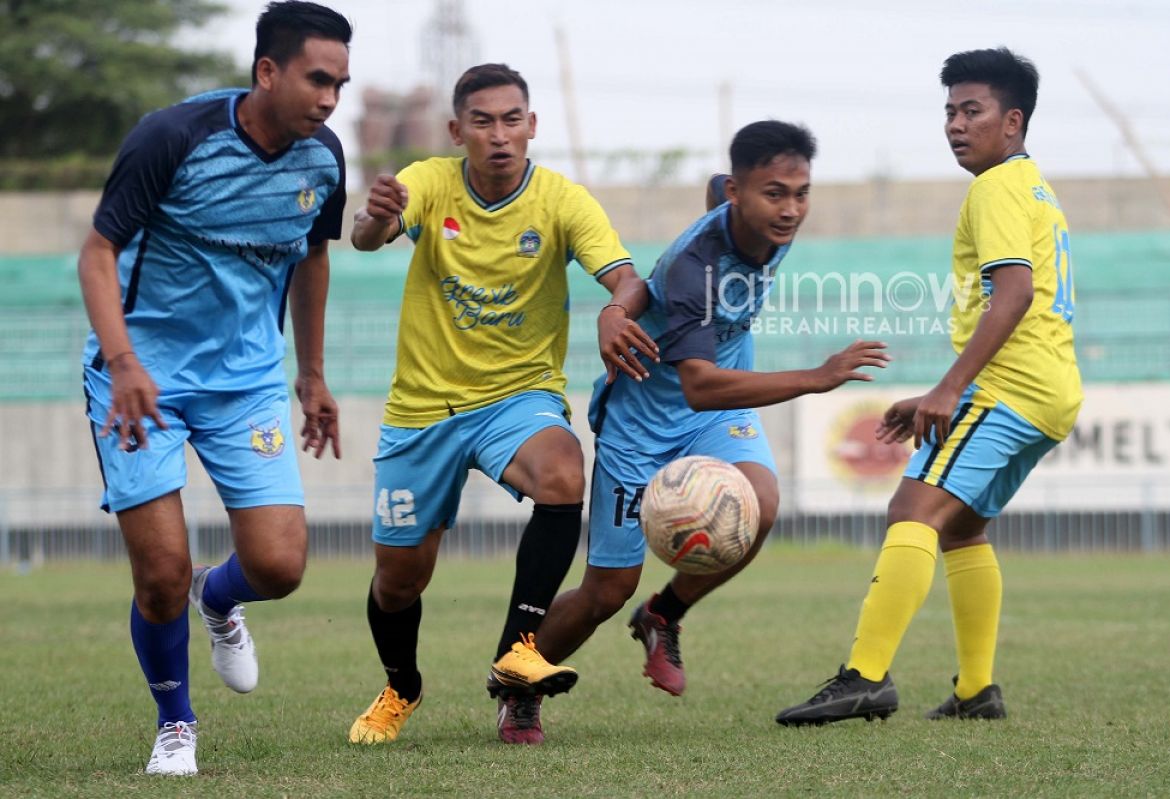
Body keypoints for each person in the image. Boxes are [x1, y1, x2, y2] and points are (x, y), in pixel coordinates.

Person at [529, 121, 889, 727]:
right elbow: (698, 385)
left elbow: (666, 271)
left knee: (761, 505)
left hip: (718, 414)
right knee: (605, 591)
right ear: (737, 192)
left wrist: (623, 305)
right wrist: (817, 376)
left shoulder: (760, 222)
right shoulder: (698, 267)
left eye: (801, 192)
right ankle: (521, 681)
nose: (791, 209)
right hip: (645, 422)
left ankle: (663, 615)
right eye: (775, 193)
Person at [77, 1, 351, 775]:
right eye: (317, 79)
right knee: (158, 572)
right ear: (268, 72)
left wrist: (312, 374)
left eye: (341, 84)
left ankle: (219, 598)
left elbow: (314, 259)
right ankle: (175, 724)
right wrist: (125, 360)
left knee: (280, 567)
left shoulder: (323, 158)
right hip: (140, 378)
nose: (331, 99)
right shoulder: (173, 136)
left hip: (247, 383)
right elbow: (98, 254)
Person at [347, 63, 657, 746]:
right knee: (398, 581)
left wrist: (615, 309)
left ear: (532, 126)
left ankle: (518, 657)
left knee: (564, 471)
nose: (499, 135)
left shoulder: (562, 200)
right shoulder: (428, 180)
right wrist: (376, 216)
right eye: (482, 121)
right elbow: (366, 238)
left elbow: (627, 277)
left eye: (512, 119)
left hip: (517, 397)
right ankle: (402, 685)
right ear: (457, 130)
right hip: (423, 407)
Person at [776, 47, 1082, 726]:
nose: (954, 124)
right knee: (963, 528)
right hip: (1048, 390)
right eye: (948, 111)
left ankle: (865, 676)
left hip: (1010, 387)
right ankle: (977, 689)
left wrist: (949, 388)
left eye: (971, 110)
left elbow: (1015, 294)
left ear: (1013, 120)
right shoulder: (1034, 187)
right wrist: (941, 392)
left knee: (910, 510)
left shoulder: (996, 187)